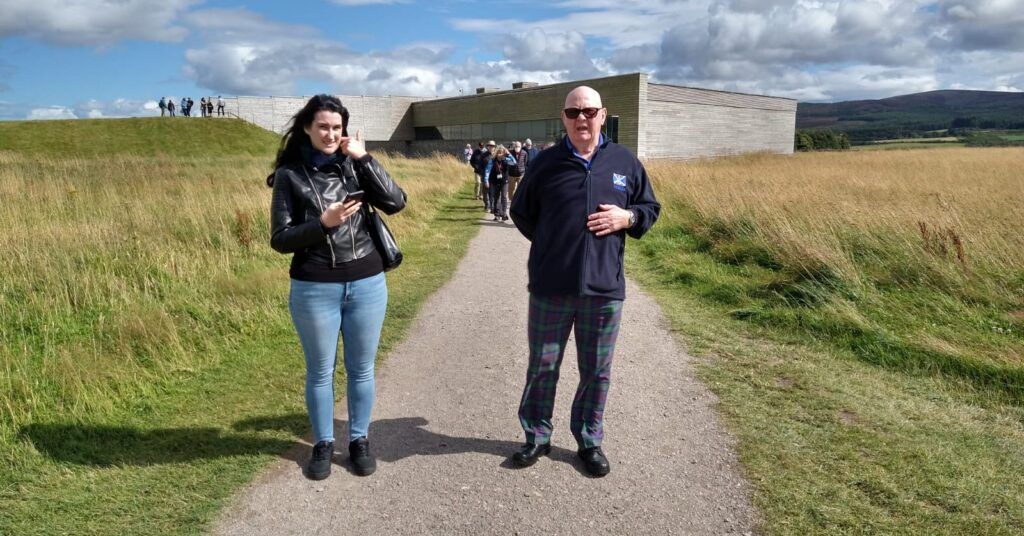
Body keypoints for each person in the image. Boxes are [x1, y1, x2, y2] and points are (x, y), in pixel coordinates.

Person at [508, 86, 660, 477]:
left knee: (597, 369)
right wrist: (551, 245)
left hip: (604, 289)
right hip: (550, 287)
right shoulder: (545, 163)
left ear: (603, 115)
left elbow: (649, 208)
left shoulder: (624, 162)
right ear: (563, 118)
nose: (582, 119)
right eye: (573, 112)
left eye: (589, 112)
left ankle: (589, 440)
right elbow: (521, 212)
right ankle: (536, 436)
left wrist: (628, 219)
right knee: (543, 366)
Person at [268, 94, 407, 481]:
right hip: (315, 287)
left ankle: (359, 440)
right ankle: (324, 443)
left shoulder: (354, 166)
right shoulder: (290, 175)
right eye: (323, 127)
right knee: (320, 371)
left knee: (361, 369)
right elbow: (280, 238)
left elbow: (396, 202)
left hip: (367, 282)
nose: (330, 134)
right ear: (308, 129)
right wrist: (323, 224)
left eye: (337, 128)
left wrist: (363, 158)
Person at [483, 144, 515, 221]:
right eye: (499, 153)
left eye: (502, 153)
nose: (500, 154)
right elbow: (487, 171)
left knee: (504, 197)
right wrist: (486, 180)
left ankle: (504, 213)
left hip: (504, 181)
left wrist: (509, 154)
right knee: (496, 198)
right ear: (496, 153)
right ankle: (497, 214)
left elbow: (514, 163)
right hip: (494, 181)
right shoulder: (492, 160)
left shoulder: (507, 160)